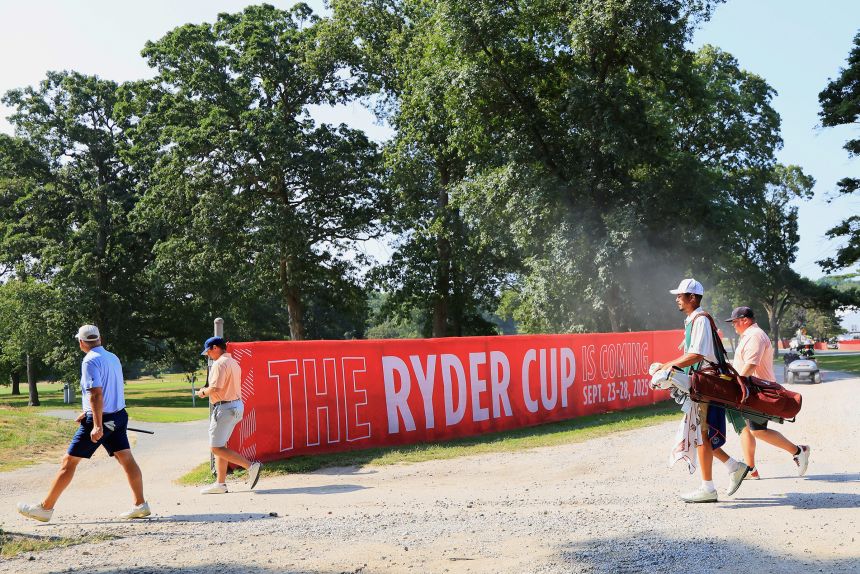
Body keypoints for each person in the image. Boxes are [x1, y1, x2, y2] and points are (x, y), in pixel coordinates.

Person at [17, 325, 150, 522]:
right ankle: (140, 504)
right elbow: (109, 390)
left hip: (102, 420)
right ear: (99, 338)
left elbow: (96, 393)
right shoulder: (112, 357)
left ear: (81, 342)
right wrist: (88, 411)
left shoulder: (89, 361)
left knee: (68, 462)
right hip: (119, 416)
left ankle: (45, 508)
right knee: (126, 458)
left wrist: (96, 424)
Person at [658, 279, 750, 503]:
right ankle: (733, 467)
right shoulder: (694, 320)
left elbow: (697, 354)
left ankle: (709, 487)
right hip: (704, 384)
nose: (677, 298)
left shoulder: (699, 320)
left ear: (692, 297)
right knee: (701, 434)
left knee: (701, 435)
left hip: (707, 385)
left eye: (681, 295)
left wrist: (669, 365)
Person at [726, 306, 811, 478]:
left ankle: (797, 450)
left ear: (745, 320)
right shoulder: (749, 335)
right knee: (746, 429)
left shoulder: (755, 336)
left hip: (759, 390)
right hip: (751, 389)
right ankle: (751, 469)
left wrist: (739, 384)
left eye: (735, 322)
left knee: (757, 430)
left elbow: (751, 365)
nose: (733, 325)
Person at [196, 336, 262, 493]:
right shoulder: (233, 362)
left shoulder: (219, 364)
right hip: (236, 405)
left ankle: (251, 466)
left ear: (215, 348)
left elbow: (216, 388)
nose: (208, 356)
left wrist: (202, 392)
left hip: (224, 408)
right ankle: (220, 484)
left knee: (216, 448)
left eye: (208, 352)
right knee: (222, 445)